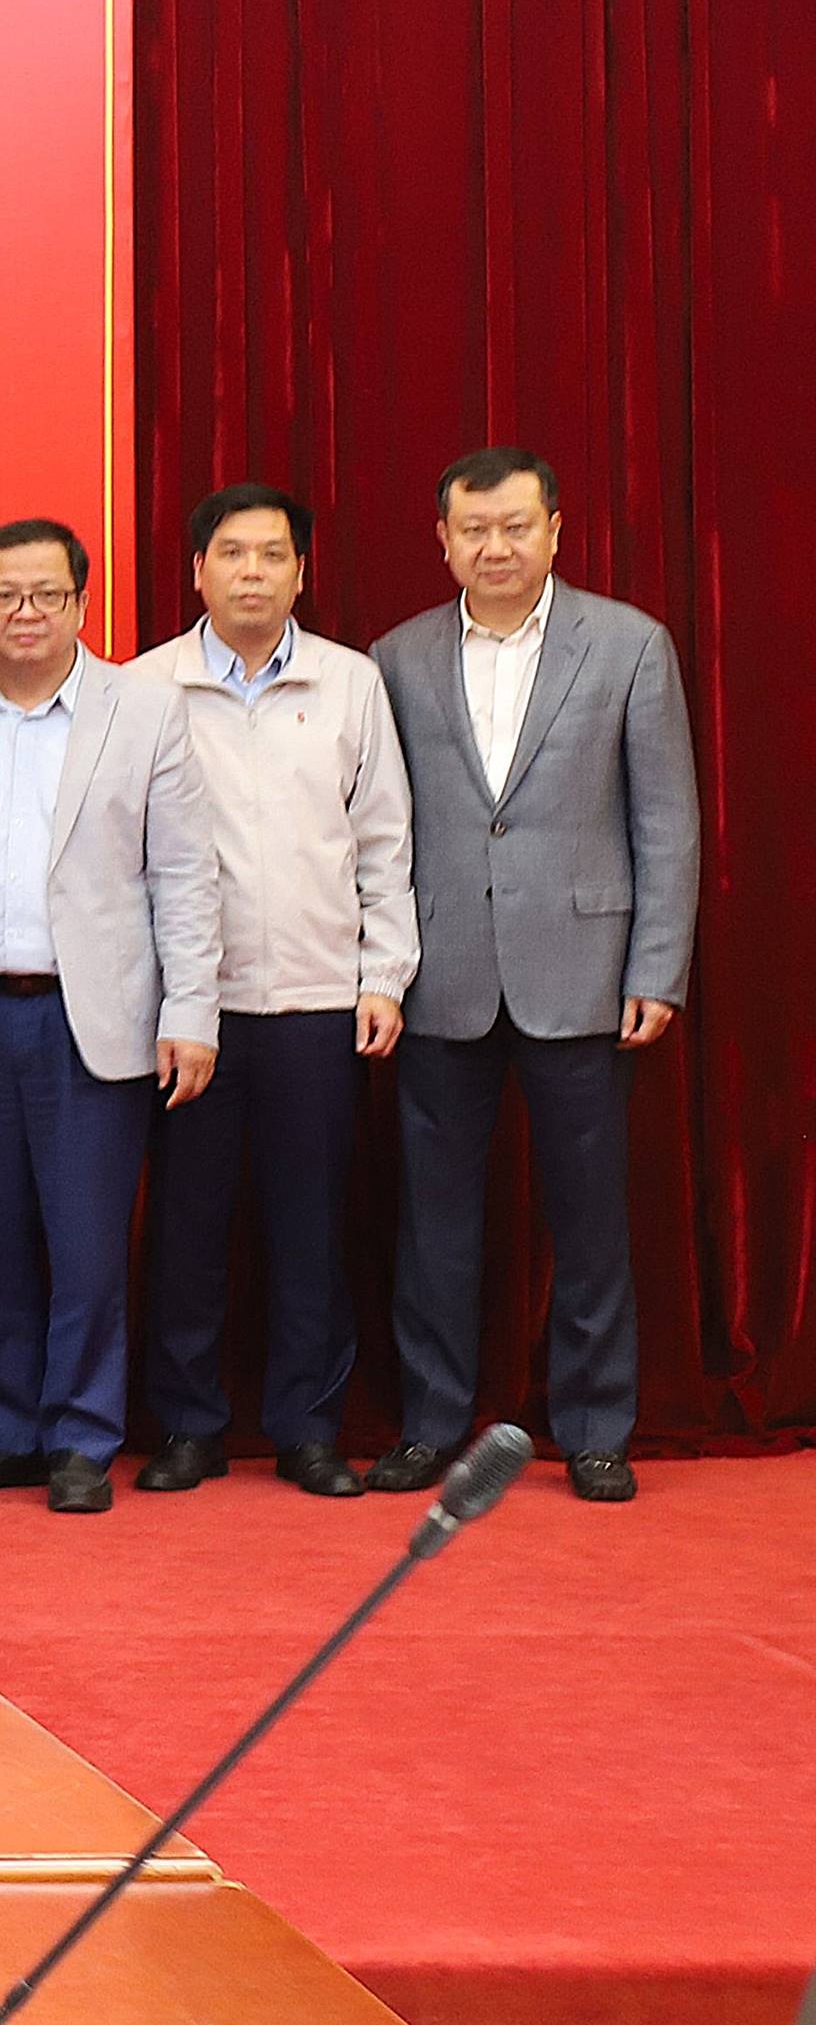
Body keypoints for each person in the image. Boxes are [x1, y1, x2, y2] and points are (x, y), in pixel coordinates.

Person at [368, 448, 698, 1504]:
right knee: (434, 1222)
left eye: (516, 526)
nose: (496, 547)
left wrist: (657, 967)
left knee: (590, 1219)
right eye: (474, 530)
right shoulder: (396, 657)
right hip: (440, 975)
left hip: (585, 971)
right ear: (443, 540)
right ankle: (429, 1424)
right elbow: (376, 824)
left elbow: (666, 820)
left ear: (556, 531)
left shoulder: (629, 644)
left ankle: (596, 1427)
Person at [126, 485, 414, 1499]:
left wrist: (383, 974)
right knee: (187, 1229)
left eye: (272, 555)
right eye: (232, 554)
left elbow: (383, 839)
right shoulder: (145, 687)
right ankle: (187, 1427)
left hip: (316, 1001)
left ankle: (308, 1428)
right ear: (196, 571)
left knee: (311, 1228)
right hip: (188, 1012)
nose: (251, 572)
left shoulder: (350, 683)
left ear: (302, 571)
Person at [0, 519, 219, 1515]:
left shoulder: (141, 711)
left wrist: (191, 1009)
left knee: (88, 1243)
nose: (26, 613)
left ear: (82, 603)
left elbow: (184, 873)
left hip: (90, 1017)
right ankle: (7, 1431)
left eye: (46, 594)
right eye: (4, 595)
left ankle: (81, 1438)